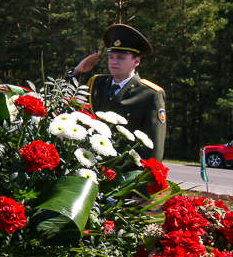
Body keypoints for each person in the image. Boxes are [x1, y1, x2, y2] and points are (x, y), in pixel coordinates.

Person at [70, 23, 166, 160]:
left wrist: (144, 179)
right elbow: (68, 100)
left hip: (124, 174)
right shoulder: (96, 83)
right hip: (90, 166)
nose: (114, 62)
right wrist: (77, 71)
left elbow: (153, 147)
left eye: (121, 58)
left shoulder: (150, 94)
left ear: (136, 61)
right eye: (111, 57)